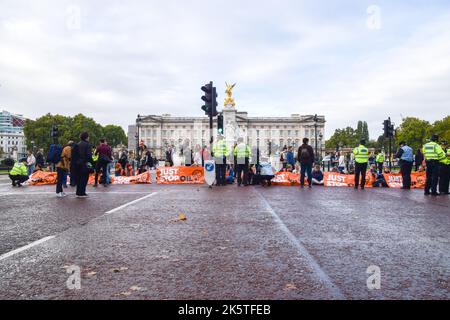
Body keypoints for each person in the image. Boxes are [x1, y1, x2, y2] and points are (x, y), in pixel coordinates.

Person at [73, 132, 93, 198]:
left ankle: (78, 192)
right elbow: (89, 156)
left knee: (79, 179)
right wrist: (91, 164)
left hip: (78, 164)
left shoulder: (77, 144)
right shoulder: (87, 145)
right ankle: (82, 192)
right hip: (85, 163)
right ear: (86, 137)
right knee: (84, 178)